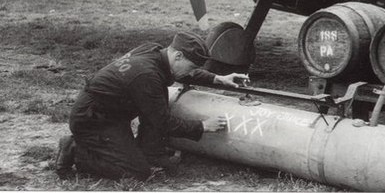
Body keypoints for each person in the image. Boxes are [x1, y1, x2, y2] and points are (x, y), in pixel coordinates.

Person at [55, 31, 249, 181]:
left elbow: (184, 73)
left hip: (110, 114)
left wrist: (218, 79)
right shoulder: (147, 76)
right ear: (178, 56)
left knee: (153, 113)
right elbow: (161, 122)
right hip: (93, 121)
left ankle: (148, 151)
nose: (190, 73)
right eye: (191, 66)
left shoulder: (155, 51)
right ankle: (75, 149)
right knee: (136, 172)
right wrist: (203, 126)